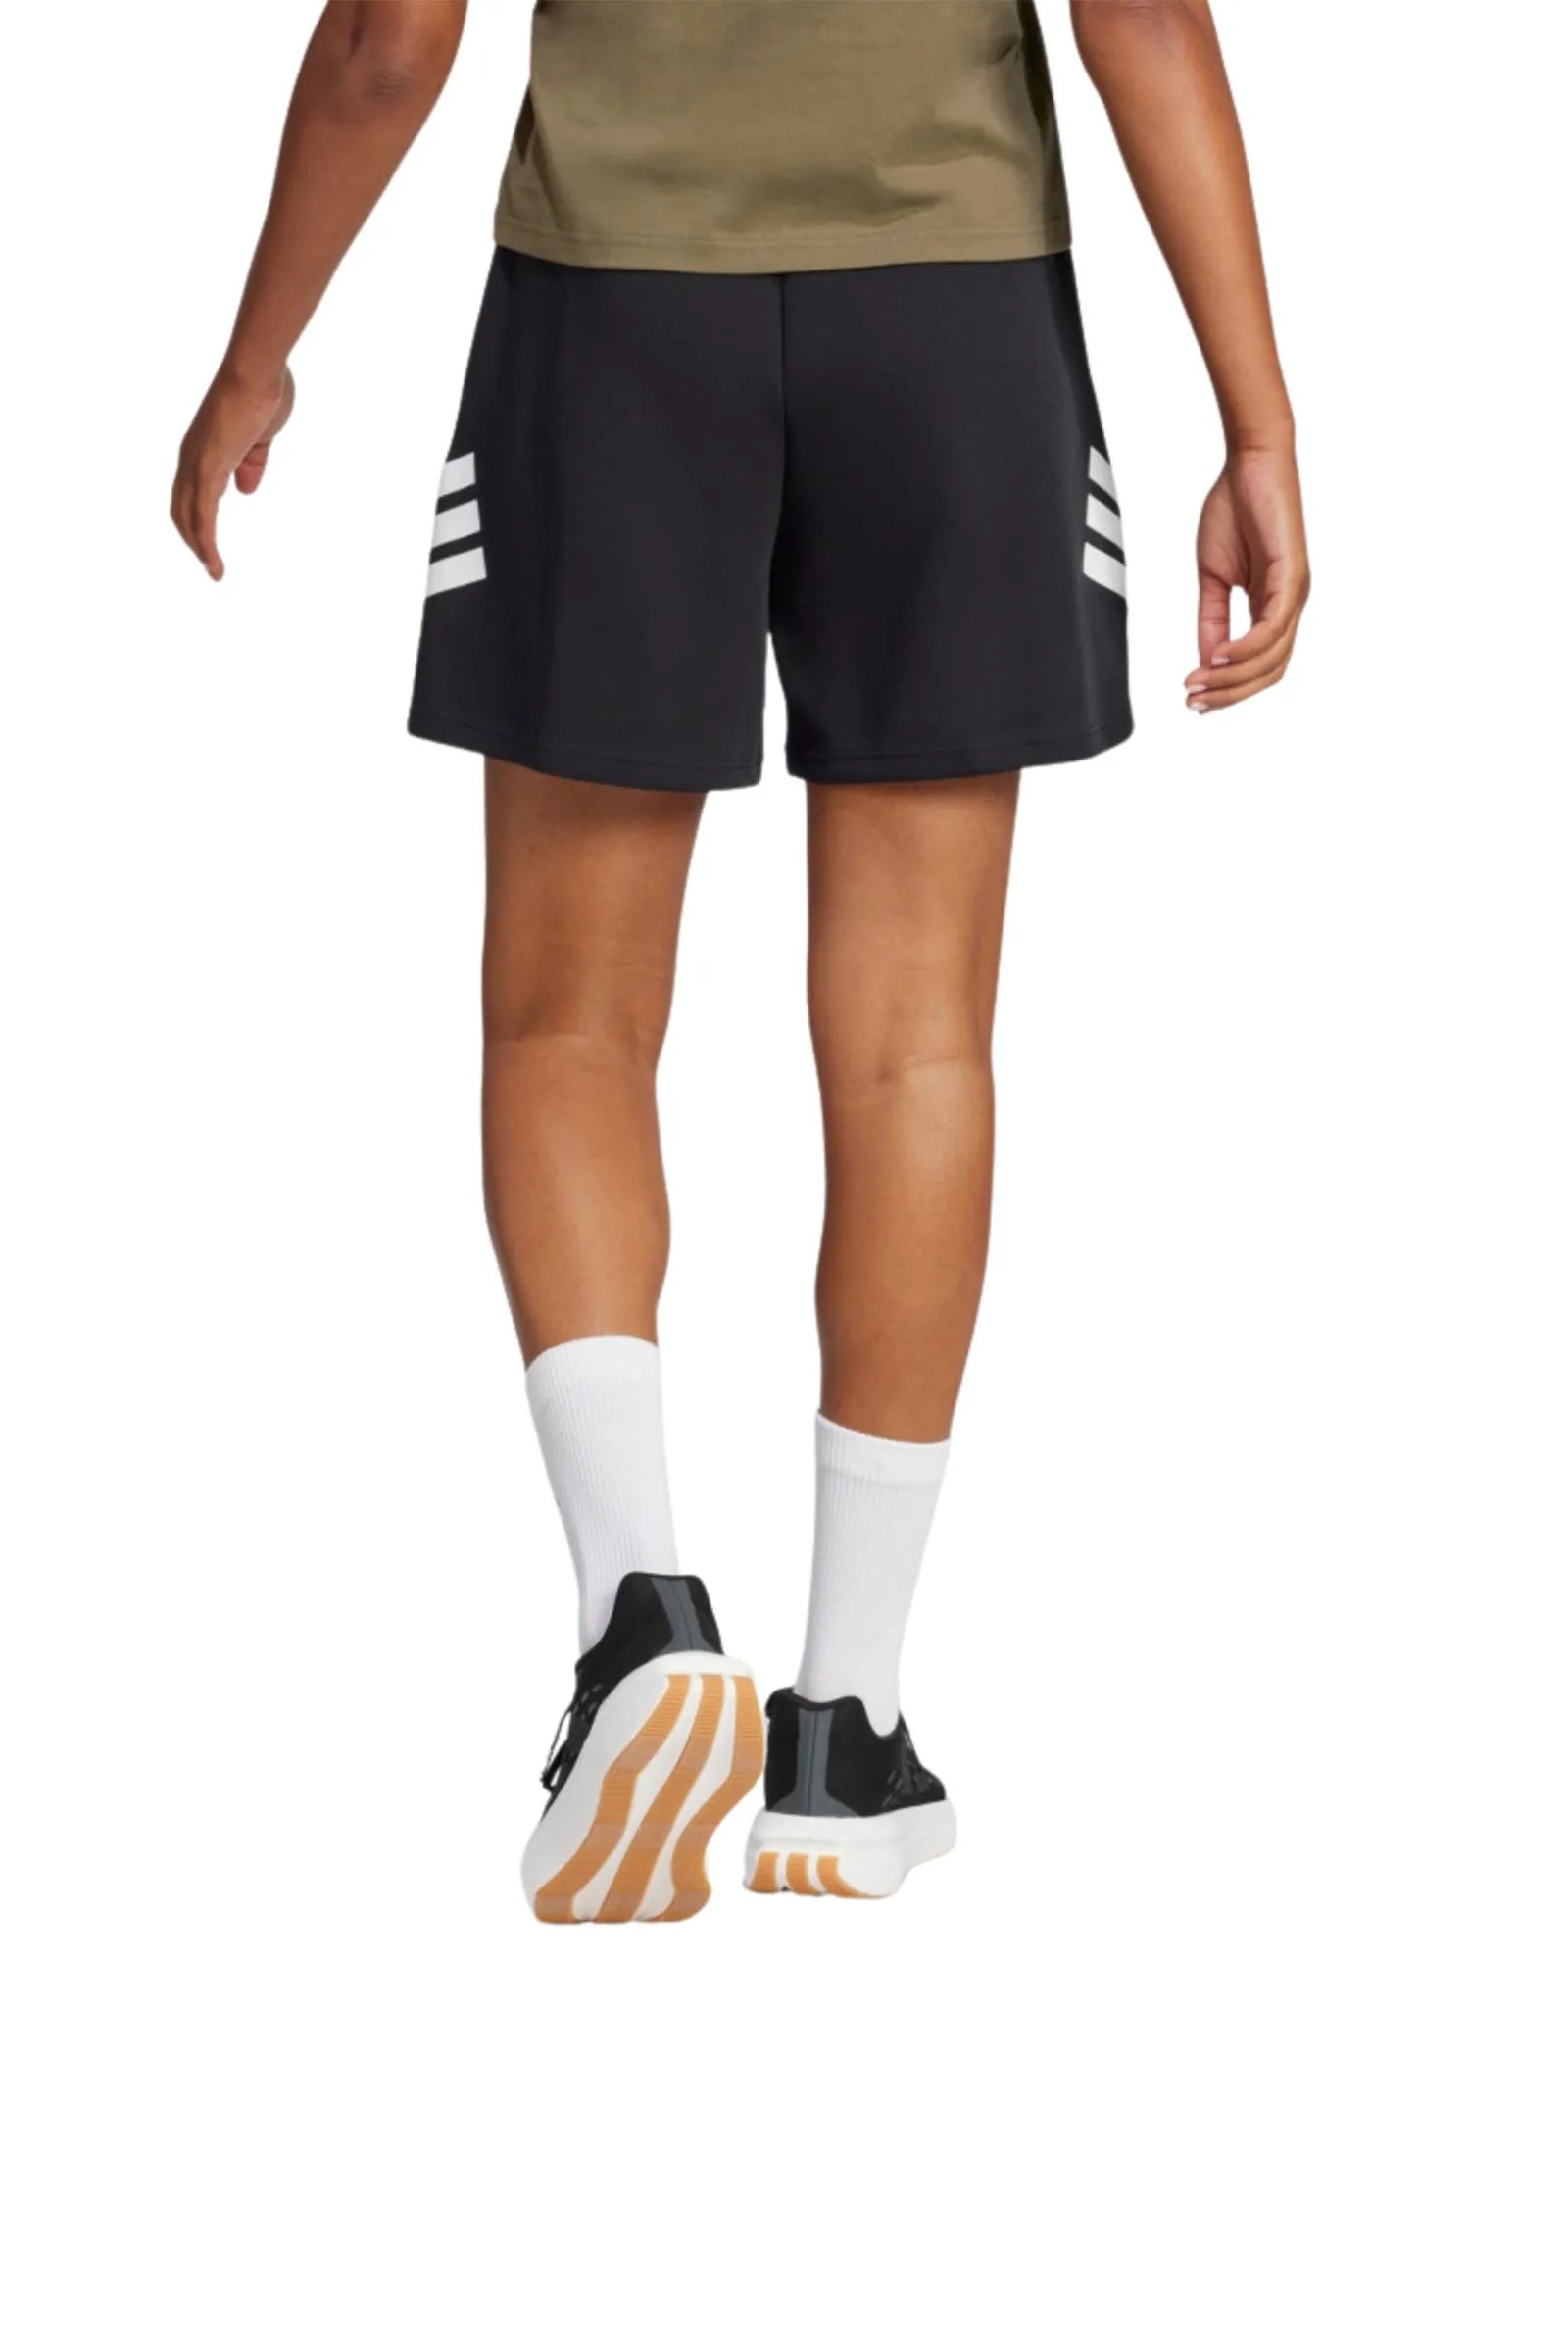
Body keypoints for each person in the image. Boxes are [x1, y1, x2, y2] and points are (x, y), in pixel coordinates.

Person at [172, 0, 1308, 1921]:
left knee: (567, 1020)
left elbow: (388, 39)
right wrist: (1255, 422)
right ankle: (844, 1731)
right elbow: (1141, 16)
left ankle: (640, 1617)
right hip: (956, 315)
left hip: (614, 320)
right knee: (914, 1041)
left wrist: (254, 356)